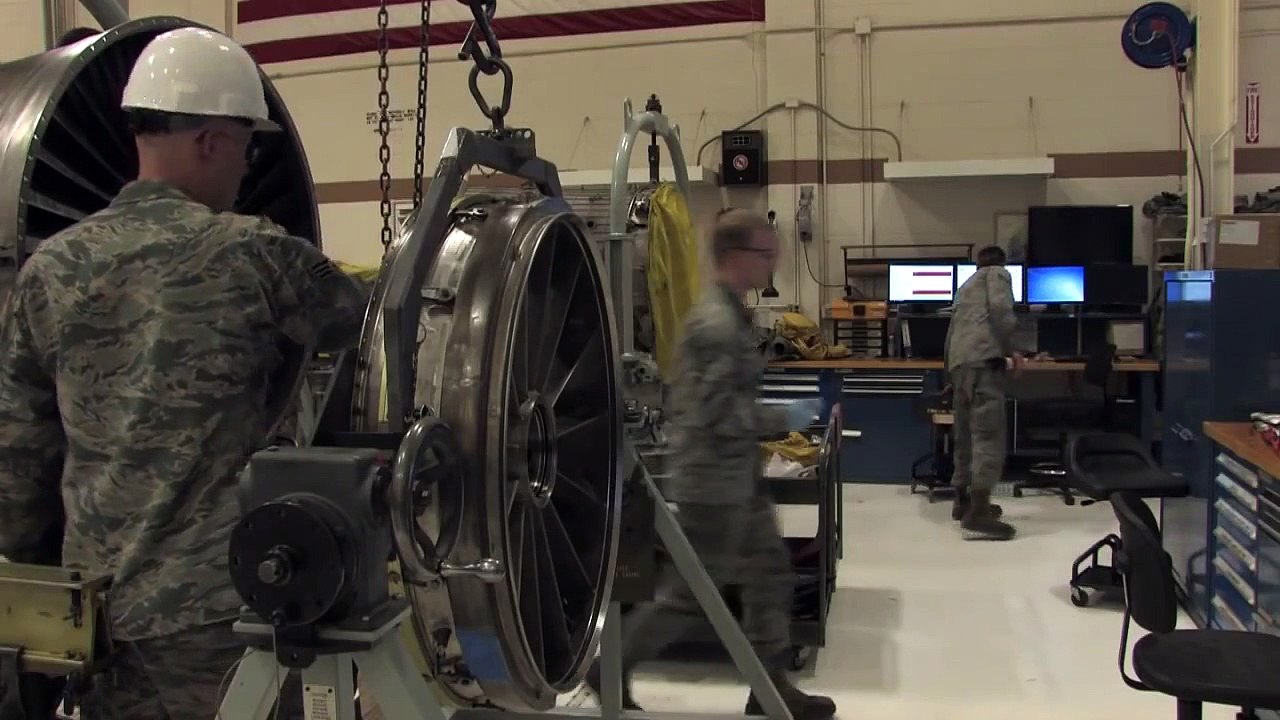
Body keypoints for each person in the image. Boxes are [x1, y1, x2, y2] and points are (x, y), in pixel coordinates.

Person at [0, 27, 366, 718]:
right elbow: (371, 327)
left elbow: (18, 465)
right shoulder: (251, 253)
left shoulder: (48, 271)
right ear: (211, 141)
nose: (246, 166)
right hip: (226, 625)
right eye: (246, 145)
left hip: (98, 623)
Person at [586, 209, 836, 720]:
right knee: (691, 596)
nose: (774, 264)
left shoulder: (728, 312)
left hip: (735, 478)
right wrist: (787, 414)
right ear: (737, 256)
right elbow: (718, 414)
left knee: (769, 575)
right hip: (713, 486)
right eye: (766, 254)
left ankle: (768, 690)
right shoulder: (717, 324)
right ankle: (607, 667)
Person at [944, 245, 1020, 541]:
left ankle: (961, 500)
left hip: (960, 364)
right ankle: (979, 511)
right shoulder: (997, 275)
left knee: (964, 435)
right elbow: (1002, 312)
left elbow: (951, 333)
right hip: (982, 363)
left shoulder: (965, 286)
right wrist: (1011, 350)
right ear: (1002, 263)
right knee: (988, 435)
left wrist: (951, 372)